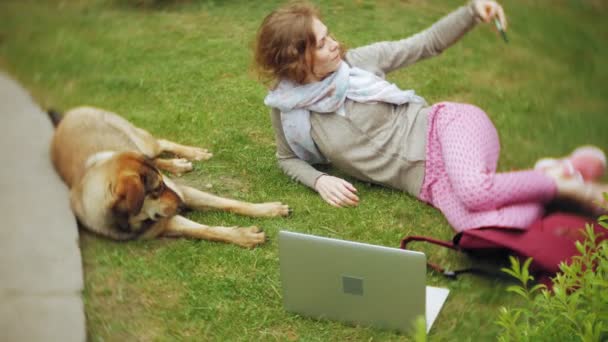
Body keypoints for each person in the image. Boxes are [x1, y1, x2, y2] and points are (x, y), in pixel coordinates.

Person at [253, 0, 607, 232]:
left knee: (474, 190)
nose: (334, 43)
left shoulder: (359, 63)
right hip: (426, 182)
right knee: (482, 227)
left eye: (328, 34)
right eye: (319, 43)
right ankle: (552, 173)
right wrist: (319, 180)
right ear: (295, 60)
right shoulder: (290, 113)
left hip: (445, 128)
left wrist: (471, 11)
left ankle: (567, 186)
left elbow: (425, 44)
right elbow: (286, 158)